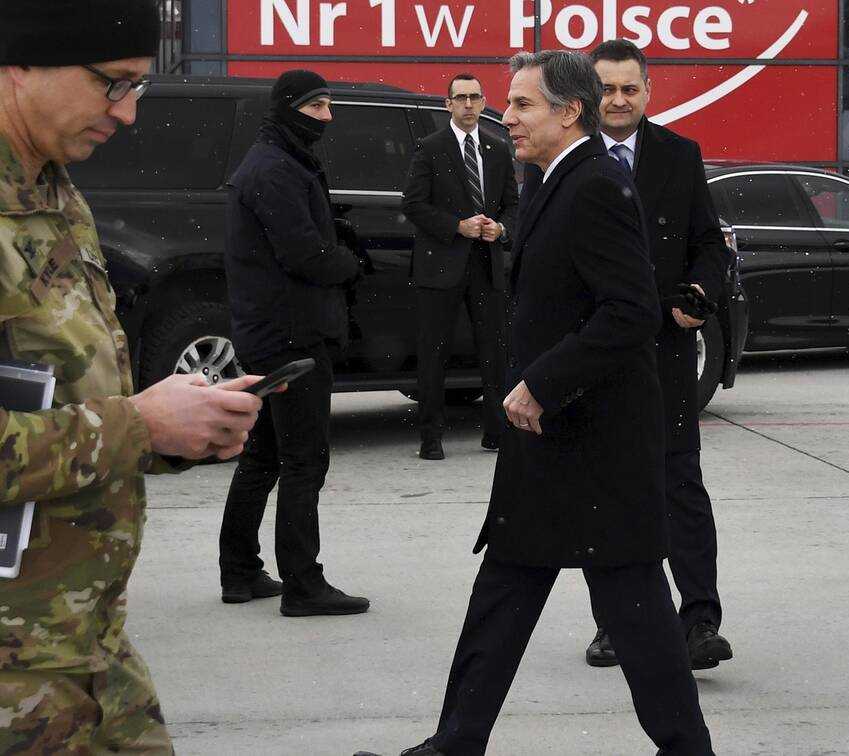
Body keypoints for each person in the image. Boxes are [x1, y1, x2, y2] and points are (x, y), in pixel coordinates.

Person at [356, 50, 712, 756]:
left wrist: (545, 382)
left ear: (569, 112)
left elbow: (630, 311)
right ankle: (455, 743)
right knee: (504, 594)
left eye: (522, 105)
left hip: (599, 447)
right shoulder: (550, 179)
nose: (507, 117)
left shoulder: (597, 184)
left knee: (636, 612)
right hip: (551, 443)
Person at [0, 1, 267, 751]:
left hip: (82, 646)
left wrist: (174, 428)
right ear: (20, 63)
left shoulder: (54, 192)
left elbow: (66, 389)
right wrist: (137, 426)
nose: (127, 113)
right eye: (112, 83)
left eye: (138, 87)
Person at [580, 38, 733, 671]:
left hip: (665, 354)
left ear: (648, 91)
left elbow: (708, 244)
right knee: (608, 495)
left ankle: (699, 623)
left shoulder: (679, 155)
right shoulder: (566, 159)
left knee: (680, 490)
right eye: (606, 89)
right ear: (587, 95)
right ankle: (616, 624)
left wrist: (700, 292)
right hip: (594, 358)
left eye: (629, 88)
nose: (618, 100)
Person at [219, 70, 370, 617]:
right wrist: (350, 262)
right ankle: (303, 584)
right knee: (304, 460)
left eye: (328, 105)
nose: (327, 117)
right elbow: (304, 254)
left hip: (272, 330)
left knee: (263, 455)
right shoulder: (275, 168)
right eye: (316, 107)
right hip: (290, 337)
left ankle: (240, 570)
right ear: (288, 108)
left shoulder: (278, 160)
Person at [403, 73, 518, 460]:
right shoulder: (430, 147)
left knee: (495, 353)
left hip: (486, 266)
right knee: (434, 353)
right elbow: (413, 204)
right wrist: (457, 226)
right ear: (448, 104)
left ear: (484, 103)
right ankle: (431, 438)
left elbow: (513, 205)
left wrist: (500, 228)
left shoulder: (497, 148)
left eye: (475, 97)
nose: (468, 104)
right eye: (461, 98)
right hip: (440, 266)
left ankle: (496, 432)